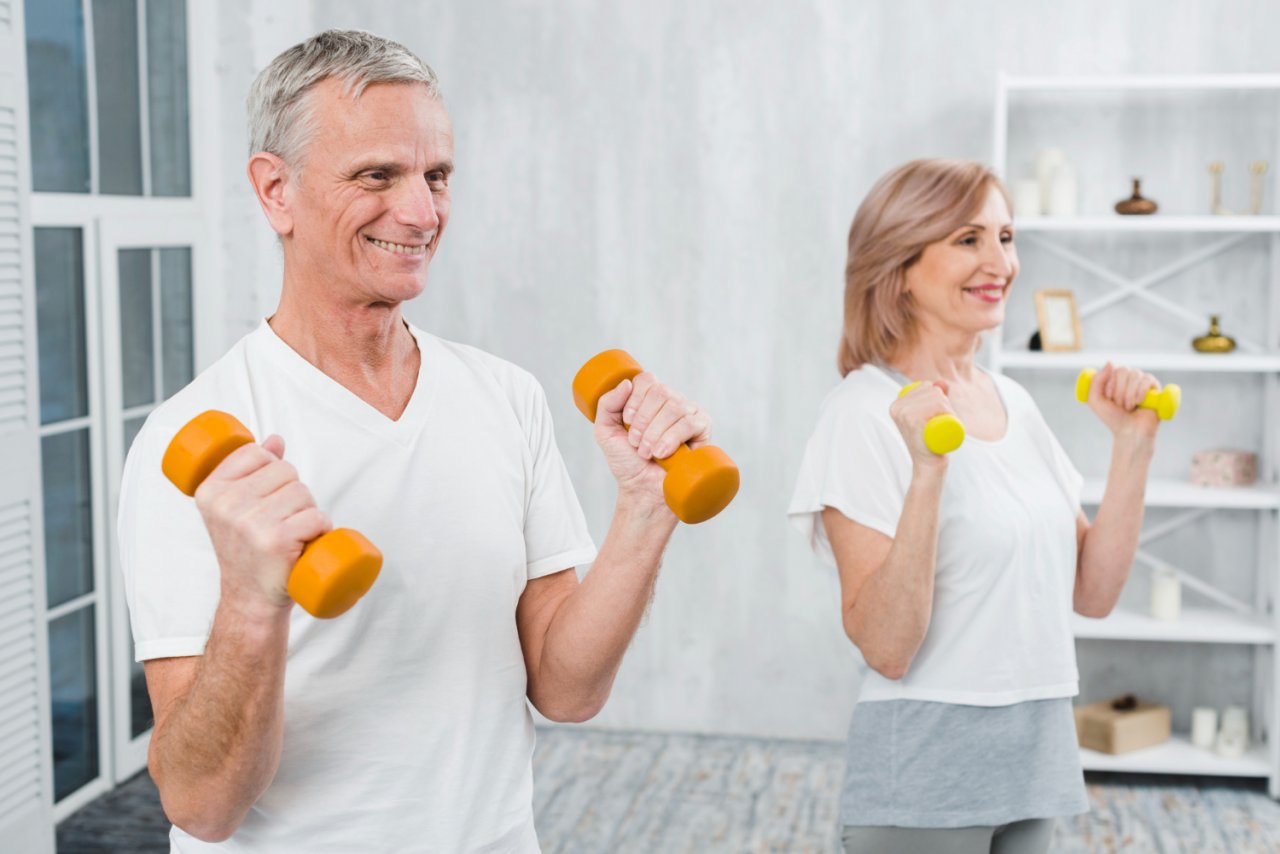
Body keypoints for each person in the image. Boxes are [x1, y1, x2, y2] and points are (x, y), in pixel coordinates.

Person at [118, 30, 716, 852]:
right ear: (276, 192)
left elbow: (567, 689)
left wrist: (646, 510)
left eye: (436, 176)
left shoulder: (505, 396)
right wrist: (253, 601)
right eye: (377, 176)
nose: (423, 213)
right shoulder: (191, 445)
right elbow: (201, 805)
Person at [788, 158, 1163, 853]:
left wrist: (1133, 447)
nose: (1001, 262)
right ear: (900, 267)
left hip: (1037, 746)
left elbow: (1093, 592)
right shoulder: (861, 413)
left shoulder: (1012, 401)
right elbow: (887, 648)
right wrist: (928, 470)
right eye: (968, 239)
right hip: (928, 761)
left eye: (1006, 237)